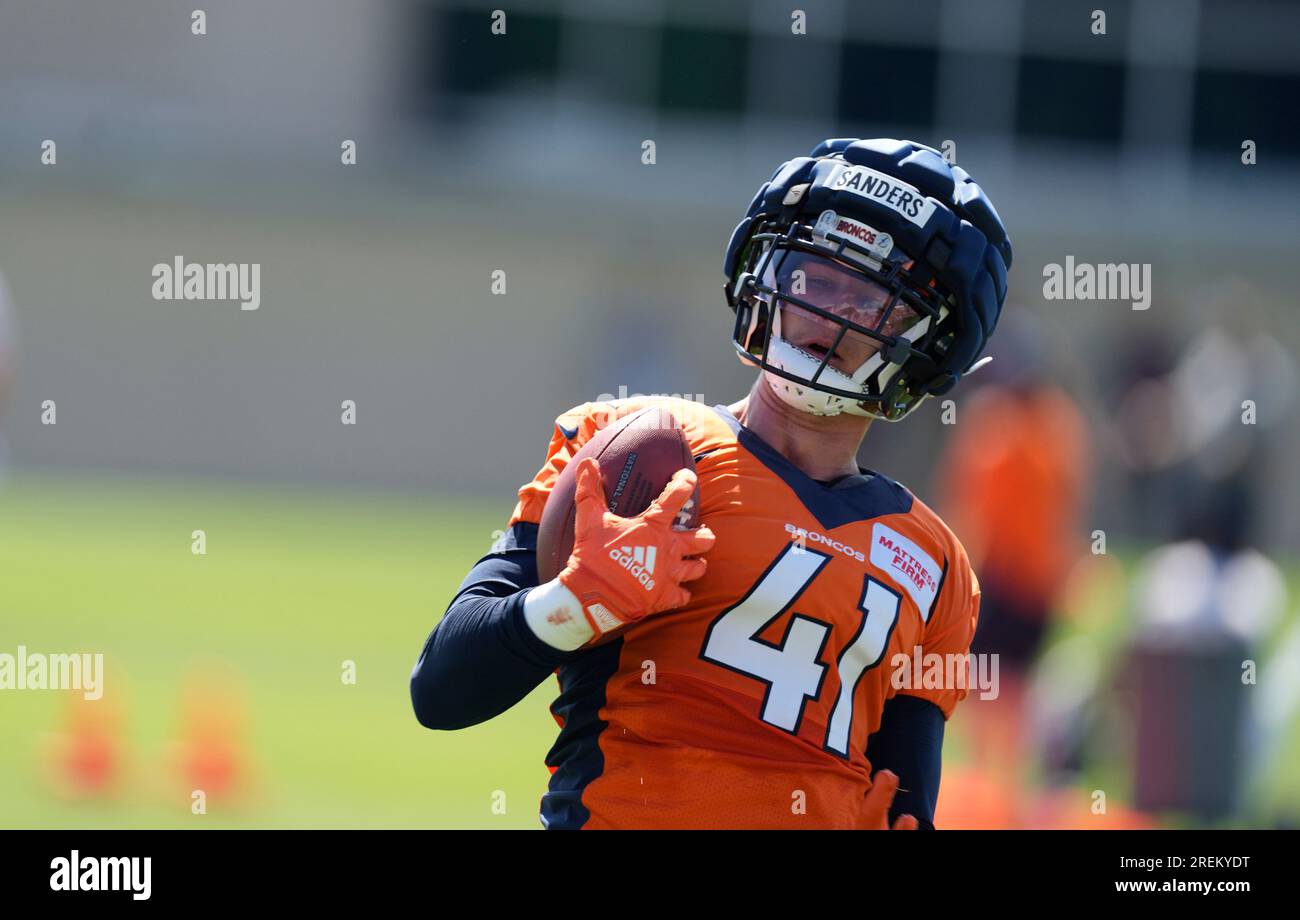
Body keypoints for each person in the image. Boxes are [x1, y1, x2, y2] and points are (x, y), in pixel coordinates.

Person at [411, 138, 1012, 829]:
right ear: (768, 272)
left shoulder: (936, 565)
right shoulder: (632, 447)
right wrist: (573, 603)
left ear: (930, 339)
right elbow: (441, 690)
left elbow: (906, 803)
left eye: (874, 298)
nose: (831, 313)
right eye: (815, 277)